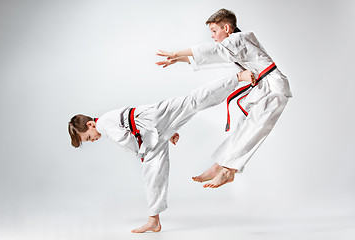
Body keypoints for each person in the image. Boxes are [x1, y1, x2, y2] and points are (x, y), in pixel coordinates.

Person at [68, 70, 254, 233]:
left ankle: (237, 77)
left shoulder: (102, 124)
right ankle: (153, 220)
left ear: (90, 124)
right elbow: (130, 136)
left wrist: (145, 148)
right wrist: (166, 133)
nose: (93, 140)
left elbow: (125, 139)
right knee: (152, 174)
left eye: (88, 137)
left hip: (151, 120)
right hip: (151, 131)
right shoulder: (105, 124)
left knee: (193, 101)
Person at [156, 8, 292, 189]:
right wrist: (178, 59)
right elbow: (213, 57)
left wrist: (177, 53)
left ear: (226, 28)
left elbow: (213, 51)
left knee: (254, 129)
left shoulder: (240, 39)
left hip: (274, 89)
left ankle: (229, 170)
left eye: (214, 30)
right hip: (263, 89)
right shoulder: (236, 44)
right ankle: (220, 165)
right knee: (244, 127)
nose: (212, 35)